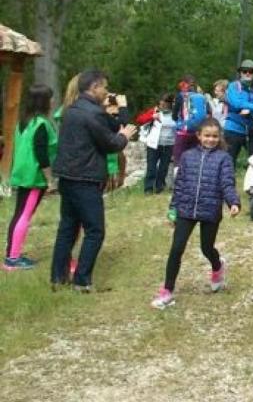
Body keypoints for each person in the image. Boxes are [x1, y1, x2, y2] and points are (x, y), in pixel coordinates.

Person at [50, 70, 137, 291]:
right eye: (104, 87)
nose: (107, 92)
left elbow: (113, 123)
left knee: (67, 227)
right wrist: (124, 136)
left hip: (67, 177)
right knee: (95, 230)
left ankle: (58, 278)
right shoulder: (93, 113)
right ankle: (82, 280)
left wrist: (118, 111)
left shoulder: (71, 109)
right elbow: (111, 144)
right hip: (85, 178)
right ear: (94, 87)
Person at [150, 119, 240, 309]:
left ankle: (217, 266)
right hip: (186, 210)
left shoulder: (224, 158)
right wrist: (173, 208)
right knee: (176, 249)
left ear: (220, 137)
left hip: (210, 210)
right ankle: (167, 290)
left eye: (215, 136)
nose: (211, 139)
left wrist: (233, 202)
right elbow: (179, 185)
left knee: (206, 248)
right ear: (198, 136)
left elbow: (227, 183)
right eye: (207, 135)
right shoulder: (187, 156)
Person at [5, 84, 57, 271]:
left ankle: (12, 253)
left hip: (22, 173)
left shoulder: (24, 121)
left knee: (19, 214)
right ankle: (13, 259)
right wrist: (50, 180)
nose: (53, 101)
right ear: (43, 101)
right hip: (34, 177)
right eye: (50, 98)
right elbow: (41, 155)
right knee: (24, 215)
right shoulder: (41, 124)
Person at [225, 59, 253, 164]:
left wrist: (250, 108)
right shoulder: (233, 86)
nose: (247, 73)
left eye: (251, 71)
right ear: (240, 72)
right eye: (244, 71)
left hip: (251, 128)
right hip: (233, 128)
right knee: (229, 162)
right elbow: (236, 103)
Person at [140, 93, 176, 194]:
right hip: (153, 144)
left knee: (163, 168)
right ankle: (148, 188)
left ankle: (160, 187)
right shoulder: (154, 111)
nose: (162, 106)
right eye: (161, 104)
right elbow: (140, 119)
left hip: (169, 144)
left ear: (170, 104)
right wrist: (152, 116)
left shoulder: (175, 114)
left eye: (165, 105)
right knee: (151, 167)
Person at [171, 75, 208, 165]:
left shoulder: (180, 96)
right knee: (194, 160)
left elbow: (174, 116)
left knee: (179, 161)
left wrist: (179, 122)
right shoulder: (202, 97)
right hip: (197, 134)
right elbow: (208, 112)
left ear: (183, 84)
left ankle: (178, 177)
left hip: (182, 133)